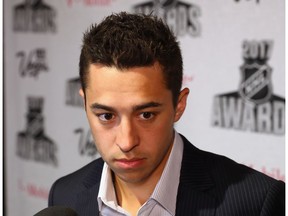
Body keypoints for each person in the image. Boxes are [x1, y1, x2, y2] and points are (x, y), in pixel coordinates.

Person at [48, 12, 285, 216]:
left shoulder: (256, 203)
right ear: (85, 104)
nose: (127, 142)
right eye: (107, 116)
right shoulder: (64, 195)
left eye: (146, 115)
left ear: (179, 106)